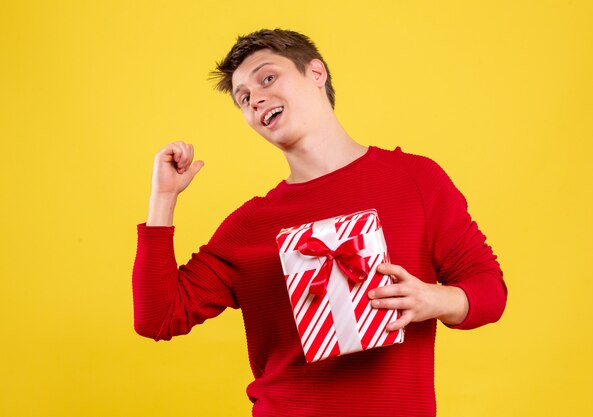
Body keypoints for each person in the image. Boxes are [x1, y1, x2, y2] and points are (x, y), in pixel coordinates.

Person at [132, 29, 507, 417]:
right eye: (243, 98)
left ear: (316, 73)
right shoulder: (250, 225)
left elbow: (489, 290)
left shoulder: (416, 180)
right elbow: (158, 317)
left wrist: (434, 299)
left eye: (267, 78)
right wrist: (163, 199)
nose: (255, 98)